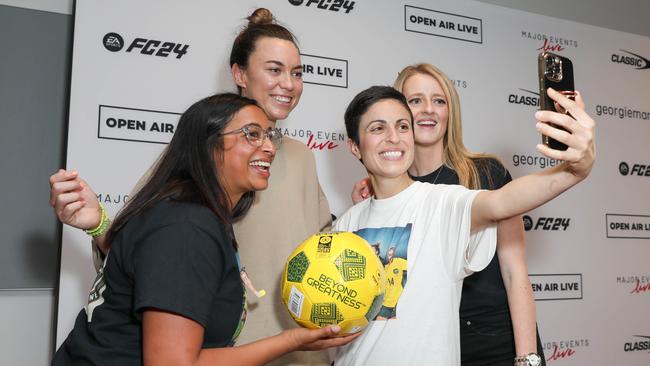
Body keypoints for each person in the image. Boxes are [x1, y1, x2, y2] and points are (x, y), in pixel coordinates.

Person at [50, 9, 332, 365]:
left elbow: (322, 243)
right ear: (239, 74)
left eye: (297, 73)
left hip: (292, 351)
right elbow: (140, 256)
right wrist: (100, 224)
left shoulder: (302, 157)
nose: (288, 84)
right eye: (274, 70)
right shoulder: (195, 163)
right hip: (214, 350)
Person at [333, 85, 595, 365]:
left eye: (402, 126)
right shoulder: (347, 223)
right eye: (377, 129)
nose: (394, 138)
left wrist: (574, 170)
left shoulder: (443, 204)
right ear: (354, 146)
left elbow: (502, 202)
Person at [353, 63, 546, 365]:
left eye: (439, 101)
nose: (428, 109)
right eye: (415, 101)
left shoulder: (487, 174)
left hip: (497, 342)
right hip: (433, 347)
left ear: (450, 111)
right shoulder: (384, 193)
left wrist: (527, 358)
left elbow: (514, 271)